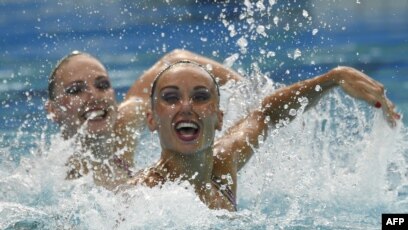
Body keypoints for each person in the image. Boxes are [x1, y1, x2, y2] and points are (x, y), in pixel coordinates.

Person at [125, 59, 400, 211]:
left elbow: (265, 113)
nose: (186, 107)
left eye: (200, 97)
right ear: (152, 119)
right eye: (171, 98)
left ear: (219, 118)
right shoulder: (145, 196)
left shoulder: (221, 166)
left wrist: (333, 79)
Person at [45, 50, 243, 189]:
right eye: (76, 90)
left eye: (102, 85)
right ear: (53, 111)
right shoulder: (60, 180)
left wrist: (249, 91)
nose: (94, 96)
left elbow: (175, 58)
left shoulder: (125, 123)